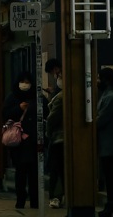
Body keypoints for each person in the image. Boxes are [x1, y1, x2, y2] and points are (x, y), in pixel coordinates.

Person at [2, 70, 39, 210]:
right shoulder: (12, 97)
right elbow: (5, 114)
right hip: (18, 141)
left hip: (34, 140)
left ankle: (35, 201)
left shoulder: (36, 96)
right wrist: (19, 108)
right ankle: (21, 200)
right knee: (21, 172)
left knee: (34, 172)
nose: (25, 85)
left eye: (28, 82)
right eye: (23, 82)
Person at [97, 67, 113, 217]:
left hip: (108, 142)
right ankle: (111, 204)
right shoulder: (108, 95)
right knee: (108, 175)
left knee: (110, 175)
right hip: (105, 142)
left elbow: (101, 119)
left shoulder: (111, 97)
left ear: (106, 80)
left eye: (100, 78)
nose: (98, 82)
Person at [46, 71, 65, 209]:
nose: (58, 79)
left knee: (56, 169)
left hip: (58, 138)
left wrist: (48, 133)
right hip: (63, 138)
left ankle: (56, 196)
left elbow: (52, 119)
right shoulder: (62, 95)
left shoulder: (60, 98)